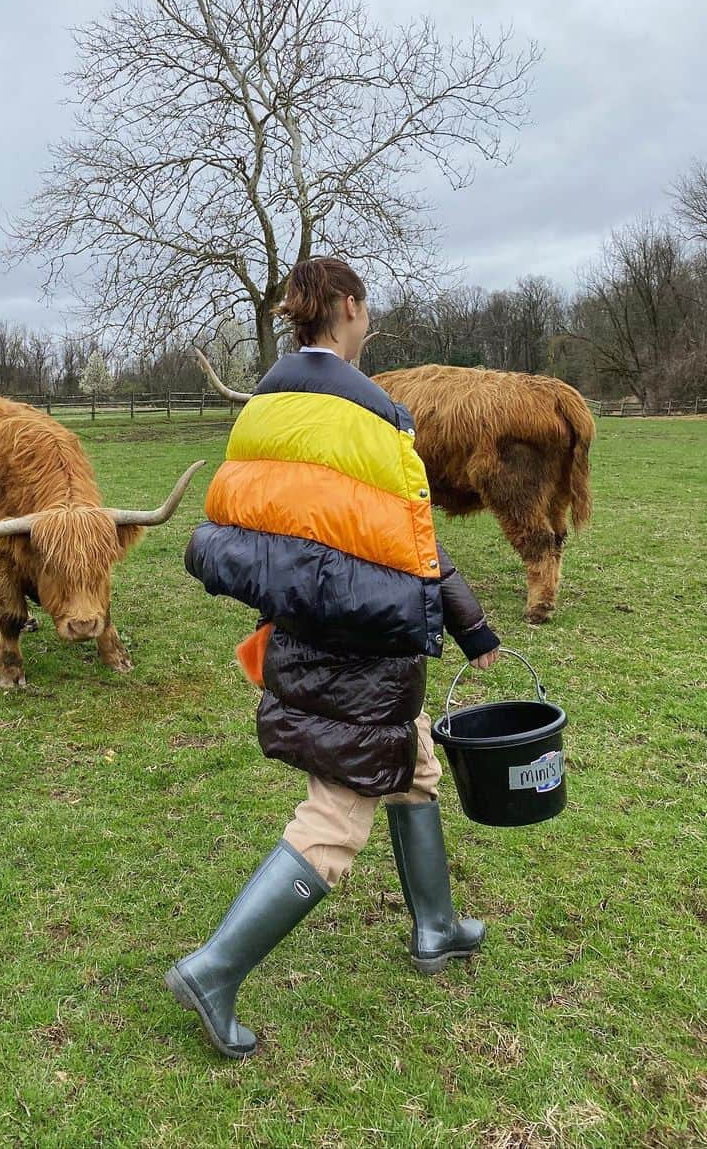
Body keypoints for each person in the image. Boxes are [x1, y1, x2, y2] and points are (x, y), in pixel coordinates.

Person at [167, 258, 502, 1059]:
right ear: (348, 308)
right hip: (360, 648)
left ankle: (435, 926)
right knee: (339, 813)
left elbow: (266, 530)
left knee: (413, 764)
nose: (369, 319)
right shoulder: (371, 420)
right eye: (366, 308)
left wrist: (471, 626)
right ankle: (216, 968)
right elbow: (417, 549)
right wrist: (471, 624)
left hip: (304, 632)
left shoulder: (265, 411)